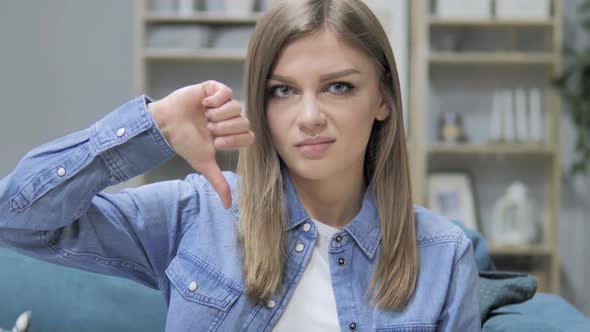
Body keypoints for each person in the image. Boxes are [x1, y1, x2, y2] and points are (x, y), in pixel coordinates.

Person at [0, 0, 480, 331]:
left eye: (339, 87)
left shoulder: (443, 254)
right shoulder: (200, 211)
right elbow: (17, 220)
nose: (310, 117)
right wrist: (154, 126)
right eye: (284, 90)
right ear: (262, 104)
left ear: (383, 101)